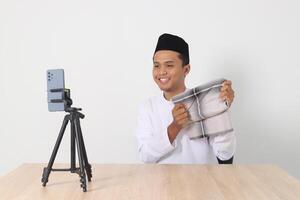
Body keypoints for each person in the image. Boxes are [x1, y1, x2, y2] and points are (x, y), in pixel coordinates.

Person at [136, 33, 236, 164]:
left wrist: (221, 111)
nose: (161, 71)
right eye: (156, 65)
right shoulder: (148, 107)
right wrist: (174, 127)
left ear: (186, 69)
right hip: (159, 183)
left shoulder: (203, 102)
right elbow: (145, 156)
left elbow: (225, 155)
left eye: (169, 65)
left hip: (199, 182)